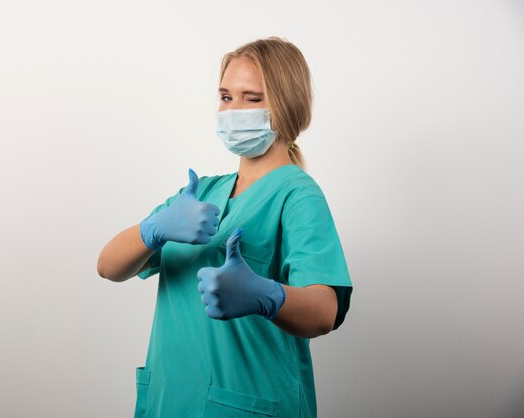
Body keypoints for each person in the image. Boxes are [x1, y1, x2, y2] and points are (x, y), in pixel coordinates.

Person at [97, 36, 353, 418]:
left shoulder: (298, 195)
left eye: (252, 99)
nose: (233, 111)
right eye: (226, 97)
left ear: (286, 106)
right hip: (170, 401)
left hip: (245, 402)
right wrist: (154, 229)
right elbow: (108, 267)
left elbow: (324, 311)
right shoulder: (202, 193)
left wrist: (265, 295)